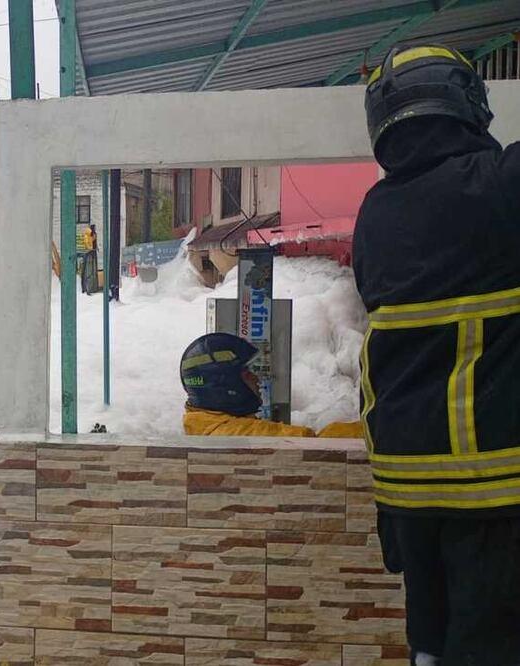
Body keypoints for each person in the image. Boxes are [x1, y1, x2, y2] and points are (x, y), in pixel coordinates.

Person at [355, 43, 520, 665]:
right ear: (468, 105)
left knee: (431, 642)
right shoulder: (501, 187)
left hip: (407, 491)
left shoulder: (375, 214)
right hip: (497, 494)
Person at [180, 333, 362, 438]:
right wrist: (374, 430)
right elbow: (316, 445)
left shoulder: (204, 425)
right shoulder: (242, 435)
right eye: (247, 374)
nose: (256, 379)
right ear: (227, 385)